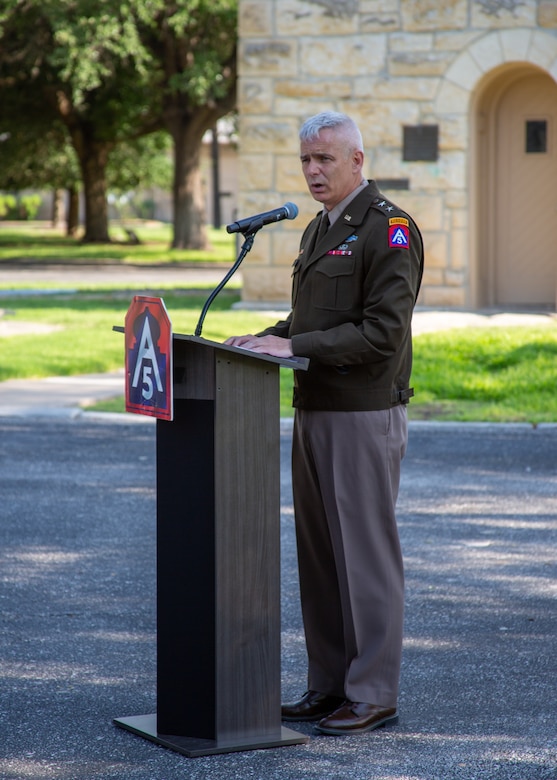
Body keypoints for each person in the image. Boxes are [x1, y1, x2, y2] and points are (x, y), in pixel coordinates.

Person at [225, 111, 424, 735]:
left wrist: (296, 347)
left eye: (325, 160)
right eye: (306, 160)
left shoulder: (390, 229)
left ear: (357, 160)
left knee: (364, 559)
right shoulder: (318, 230)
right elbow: (306, 322)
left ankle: (372, 693)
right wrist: (261, 340)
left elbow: (382, 333)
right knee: (320, 560)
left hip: (363, 415)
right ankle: (328, 684)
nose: (312, 170)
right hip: (314, 411)